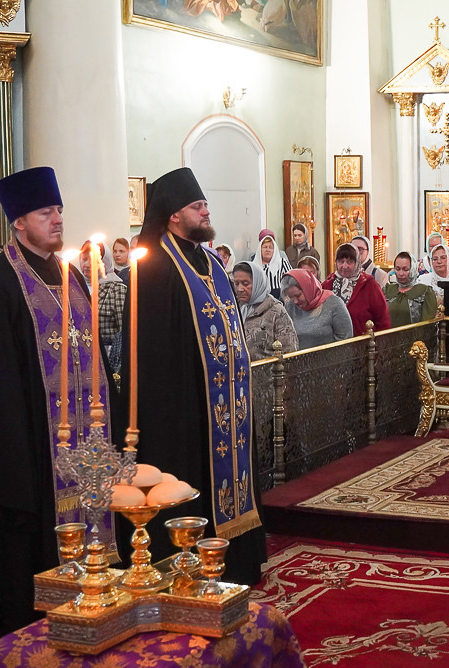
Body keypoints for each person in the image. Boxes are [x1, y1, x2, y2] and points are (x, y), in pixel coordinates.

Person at [0, 167, 120, 640]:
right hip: (37, 458)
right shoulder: (1, 283)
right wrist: (16, 470)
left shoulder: (71, 277)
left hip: (89, 447)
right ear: (19, 222)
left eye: (60, 210)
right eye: (46, 212)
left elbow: (99, 362)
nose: (58, 219)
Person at [126, 167, 266, 586]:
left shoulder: (209, 261)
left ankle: (238, 558)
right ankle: (190, 561)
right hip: (187, 406)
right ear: (173, 215)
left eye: (205, 204)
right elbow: (153, 352)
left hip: (230, 404)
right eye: (197, 206)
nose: (206, 212)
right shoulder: (154, 268)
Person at [322, 242, 391, 336]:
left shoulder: (369, 285)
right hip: (334, 345)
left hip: (363, 344)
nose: (344, 266)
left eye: (349, 262)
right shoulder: (328, 284)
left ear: (357, 262)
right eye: (341, 262)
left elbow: (383, 320)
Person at [233, 260, 298, 360]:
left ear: (258, 283)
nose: (240, 289)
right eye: (236, 284)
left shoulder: (276, 311)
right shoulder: (235, 308)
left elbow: (289, 352)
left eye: (245, 284)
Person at [80, 242, 127, 375]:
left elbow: (124, 332)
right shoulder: (74, 287)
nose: (87, 264)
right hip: (82, 360)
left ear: (104, 262)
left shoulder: (116, 289)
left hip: (108, 360)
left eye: (93, 260)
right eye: (84, 259)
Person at [281, 268, 352, 347]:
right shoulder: (290, 307)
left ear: (307, 288)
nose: (295, 301)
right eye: (291, 297)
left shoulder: (334, 304)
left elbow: (346, 342)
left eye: (298, 295)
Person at [384, 251, 438, 327]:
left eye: (405, 269)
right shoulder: (387, 290)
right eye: (397, 269)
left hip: (415, 338)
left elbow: (428, 326)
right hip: (388, 337)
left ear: (413, 269)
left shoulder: (424, 292)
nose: (401, 273)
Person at [252, 230, 291, 299]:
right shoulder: (254, 265)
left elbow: (291, 281)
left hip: (280, 298)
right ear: (260, 249)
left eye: (271, 247)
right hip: (260, 298)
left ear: (274, 249)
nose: (268, 250)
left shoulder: (282, 263)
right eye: (265, 247)